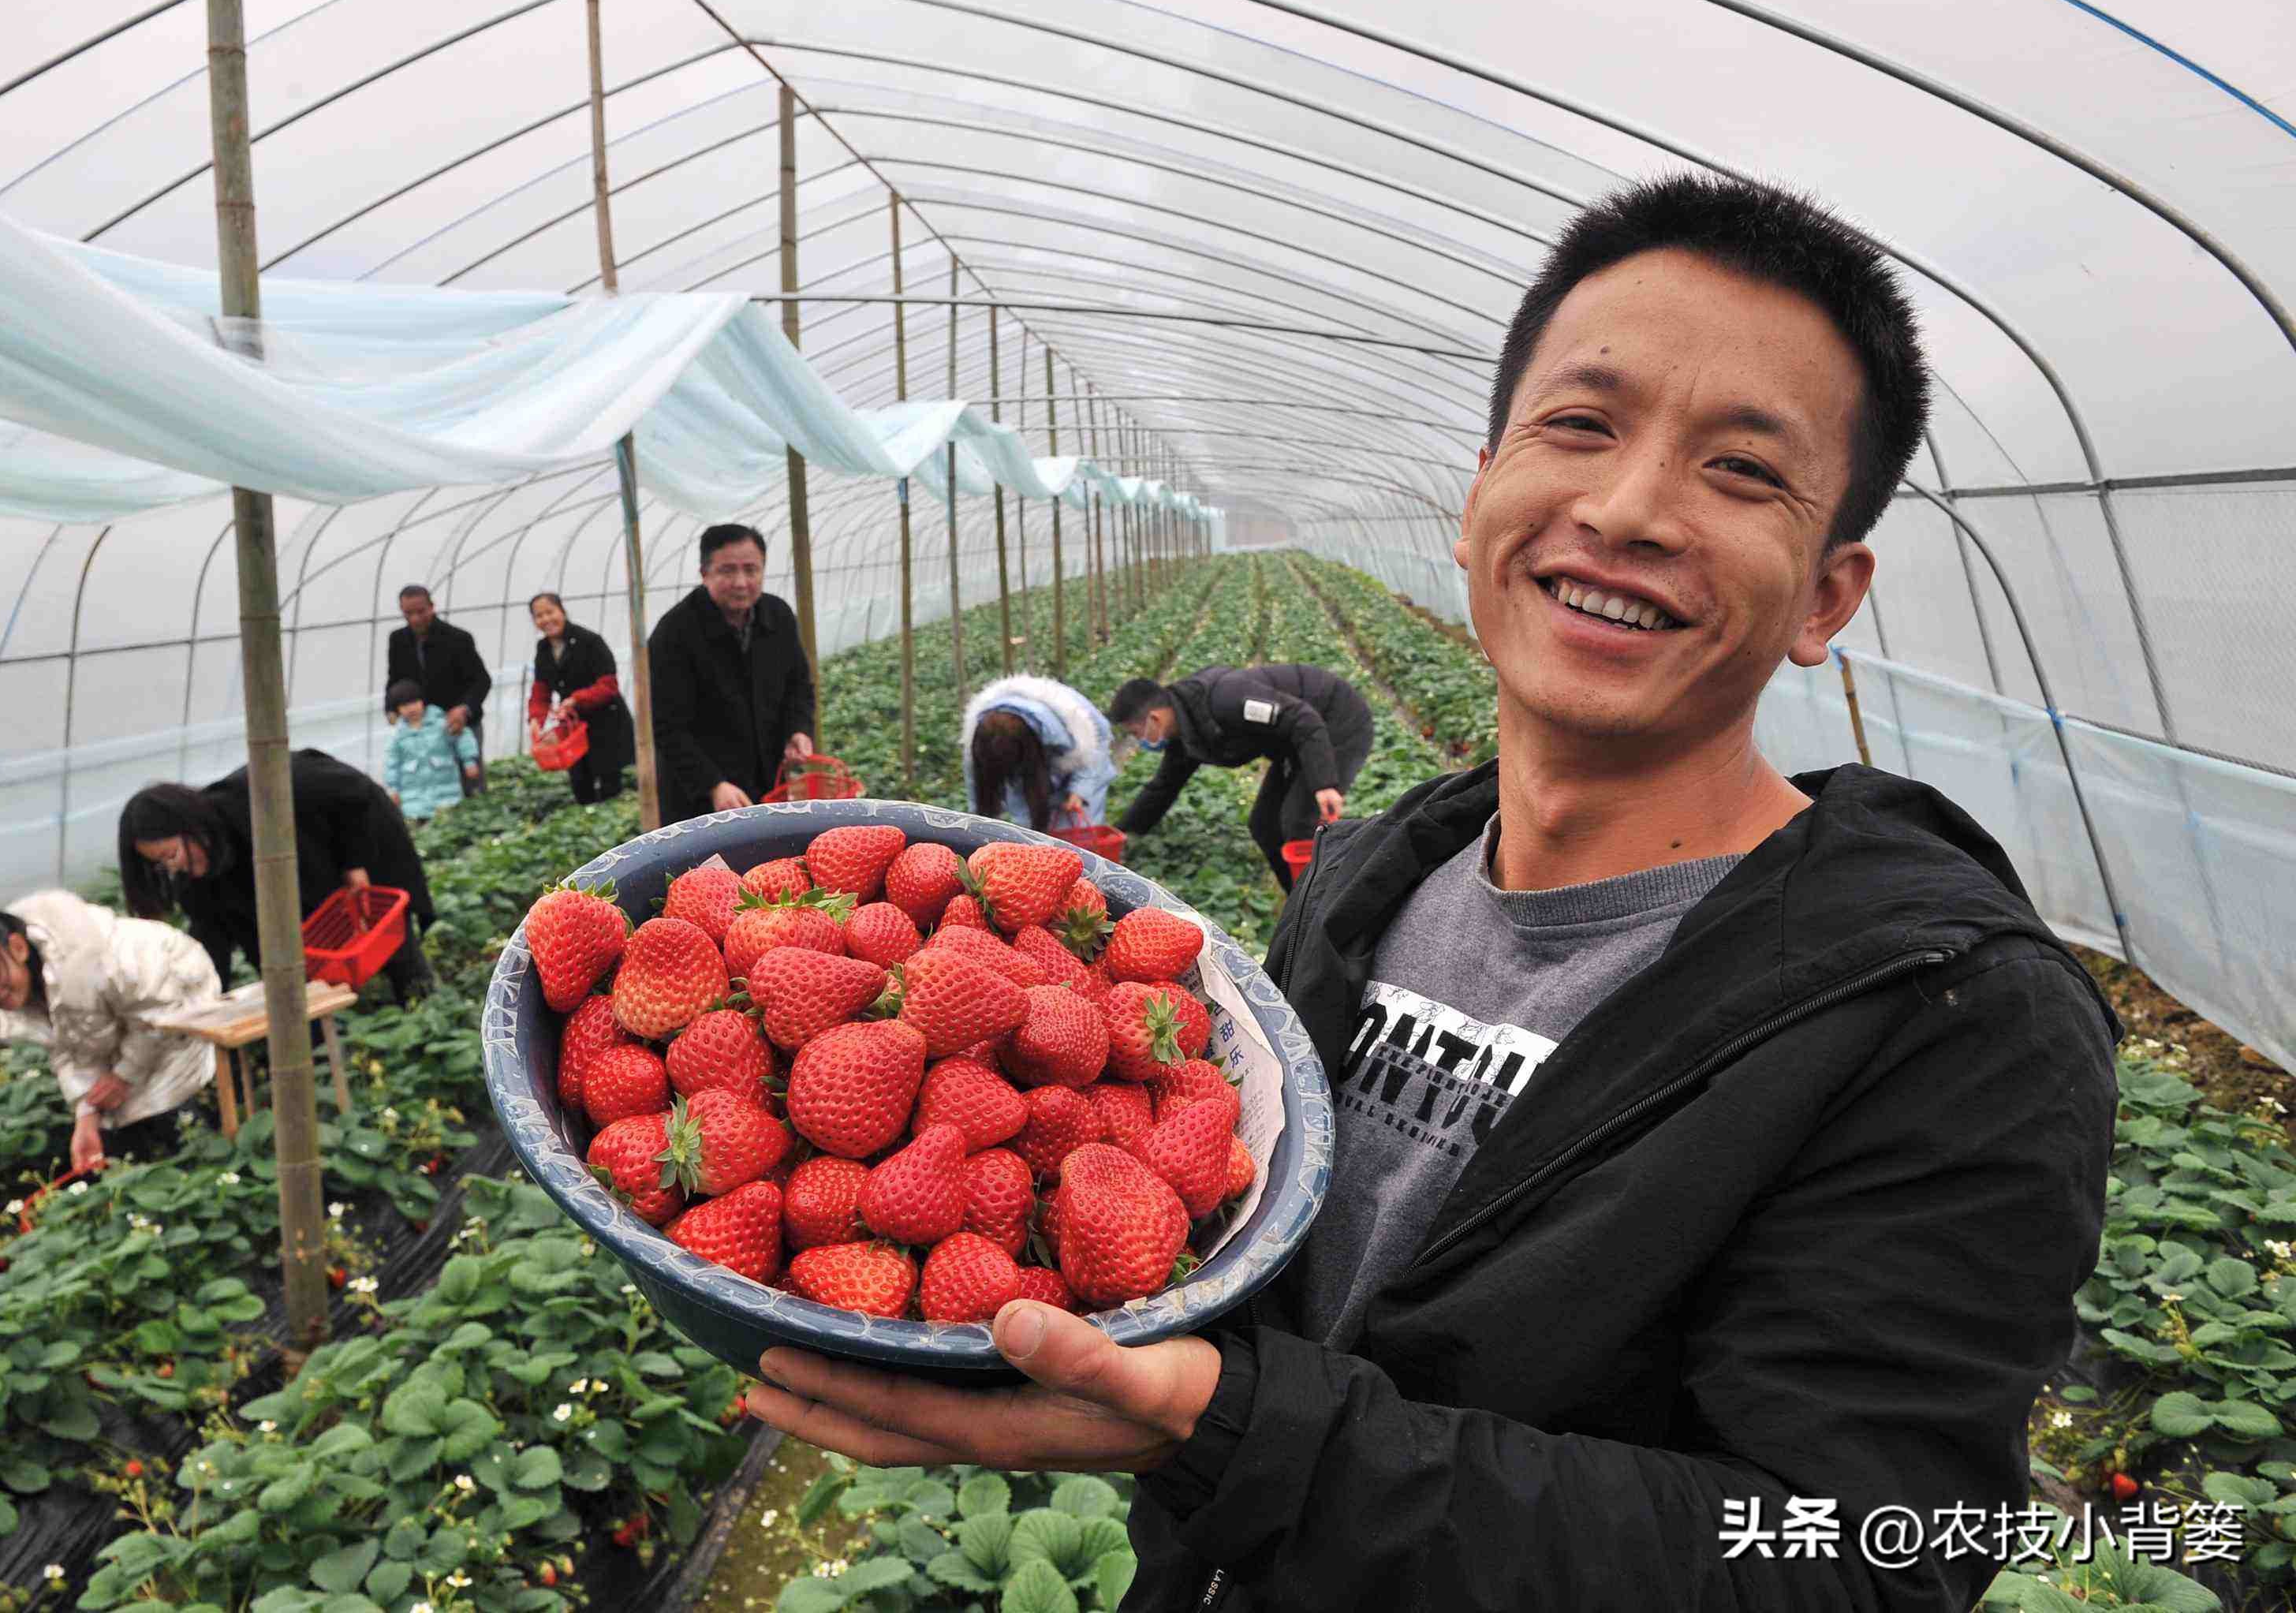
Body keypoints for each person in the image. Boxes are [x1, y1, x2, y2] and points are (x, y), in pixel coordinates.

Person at [744, 174, 2121, 1613]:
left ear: (1827, 598)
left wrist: (1222, 1430)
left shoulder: (1940, 1018)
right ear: (1473, 505)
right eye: (1578, 425)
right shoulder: (1361, 885)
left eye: (1738, 470)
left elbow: (1851, 1570)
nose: (1628, 507)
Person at [0, 892, 221, 1172]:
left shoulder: (96, 959)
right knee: (112, 1124)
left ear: (18, 948)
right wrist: (86, 1116)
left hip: (181, 1000)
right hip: (130, 1023)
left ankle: (212, 1168)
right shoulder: (26, 996)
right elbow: (71, 1048)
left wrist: (123, 1076)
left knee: (165, 1103)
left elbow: (156, 1019)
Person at [119, 749, 437, 1002]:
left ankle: (422, 1007)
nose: (174, 868)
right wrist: (203, 1000)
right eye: (161, 864)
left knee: (389, 937)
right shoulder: (197, 876)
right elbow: (215, 937)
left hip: (362, 844)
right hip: (315, 886)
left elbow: (355, 792)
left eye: (171, 854)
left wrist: (355, 862)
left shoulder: (259, 797)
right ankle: (320, 1043)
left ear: (192, 826)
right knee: (292, 978)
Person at [1110, 665, 1374, 890]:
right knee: (1264, 825)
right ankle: (1298, 900)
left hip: (1335, 722)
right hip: (1297, 741)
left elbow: (1301, 718)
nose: (1138, 740)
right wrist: (1121, 834)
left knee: (1299, 824)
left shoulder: (1225, 699)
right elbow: (1162, 788)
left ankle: (1326, 906)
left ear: (1154, 718)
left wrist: (1324, 783)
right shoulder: (1186, 731)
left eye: (1136, 732)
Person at [647, 523, 816, 824]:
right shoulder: (674, 633)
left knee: (766, 856)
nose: (741, 582)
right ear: (705, 573)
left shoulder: (778, 617)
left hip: (766, 777)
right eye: (727, 571)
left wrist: (798, 729)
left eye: (751, 570)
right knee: (706, 867)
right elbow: (667, 727)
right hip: (699, 794)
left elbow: (798, 685)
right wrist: (712, 784)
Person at [961, 674, 1117, 833]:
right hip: (1032, 774)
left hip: (1082, 773)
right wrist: (978, 828)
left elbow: (1098, 749)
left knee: (1077, 837)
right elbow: (978, 790)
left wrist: (1079, 789)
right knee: (1030, 833)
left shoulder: (1077, 719)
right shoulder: (981, 741)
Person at [524, 592, 636, 807]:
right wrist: (536, 718)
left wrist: (576, 699)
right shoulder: (544, 650)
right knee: (580, 782)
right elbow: (541, 691)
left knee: (609, 784)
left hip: (606, 724)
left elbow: (608, 686)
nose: (546, 619)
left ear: (562, 611)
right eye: (539, 616)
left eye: (550, 612)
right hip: (575, 728)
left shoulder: (590, 641)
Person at [386, 584, 494, 794]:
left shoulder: (458, 639)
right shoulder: (398, 640)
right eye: (409, 613)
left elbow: (481, 681)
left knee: (470, 781)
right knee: (429, 784)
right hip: (421, 728)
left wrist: (464, 709)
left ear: (432, 607)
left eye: (421, 611)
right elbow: (395, 680)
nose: (415, 619)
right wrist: (391, 708)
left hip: (459, 724)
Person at [383, 678, 480, 823]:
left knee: (449, 829)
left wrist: (469, 761)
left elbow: (462, 737)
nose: (411, 708)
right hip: (414, 801)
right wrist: (393, 789)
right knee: (423, 835)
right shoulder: (397, 735)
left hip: (447, 795)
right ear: (397, 710)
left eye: (414, 702)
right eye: (404, 705)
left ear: (423, 702)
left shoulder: (441, 722)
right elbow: (392, 764)